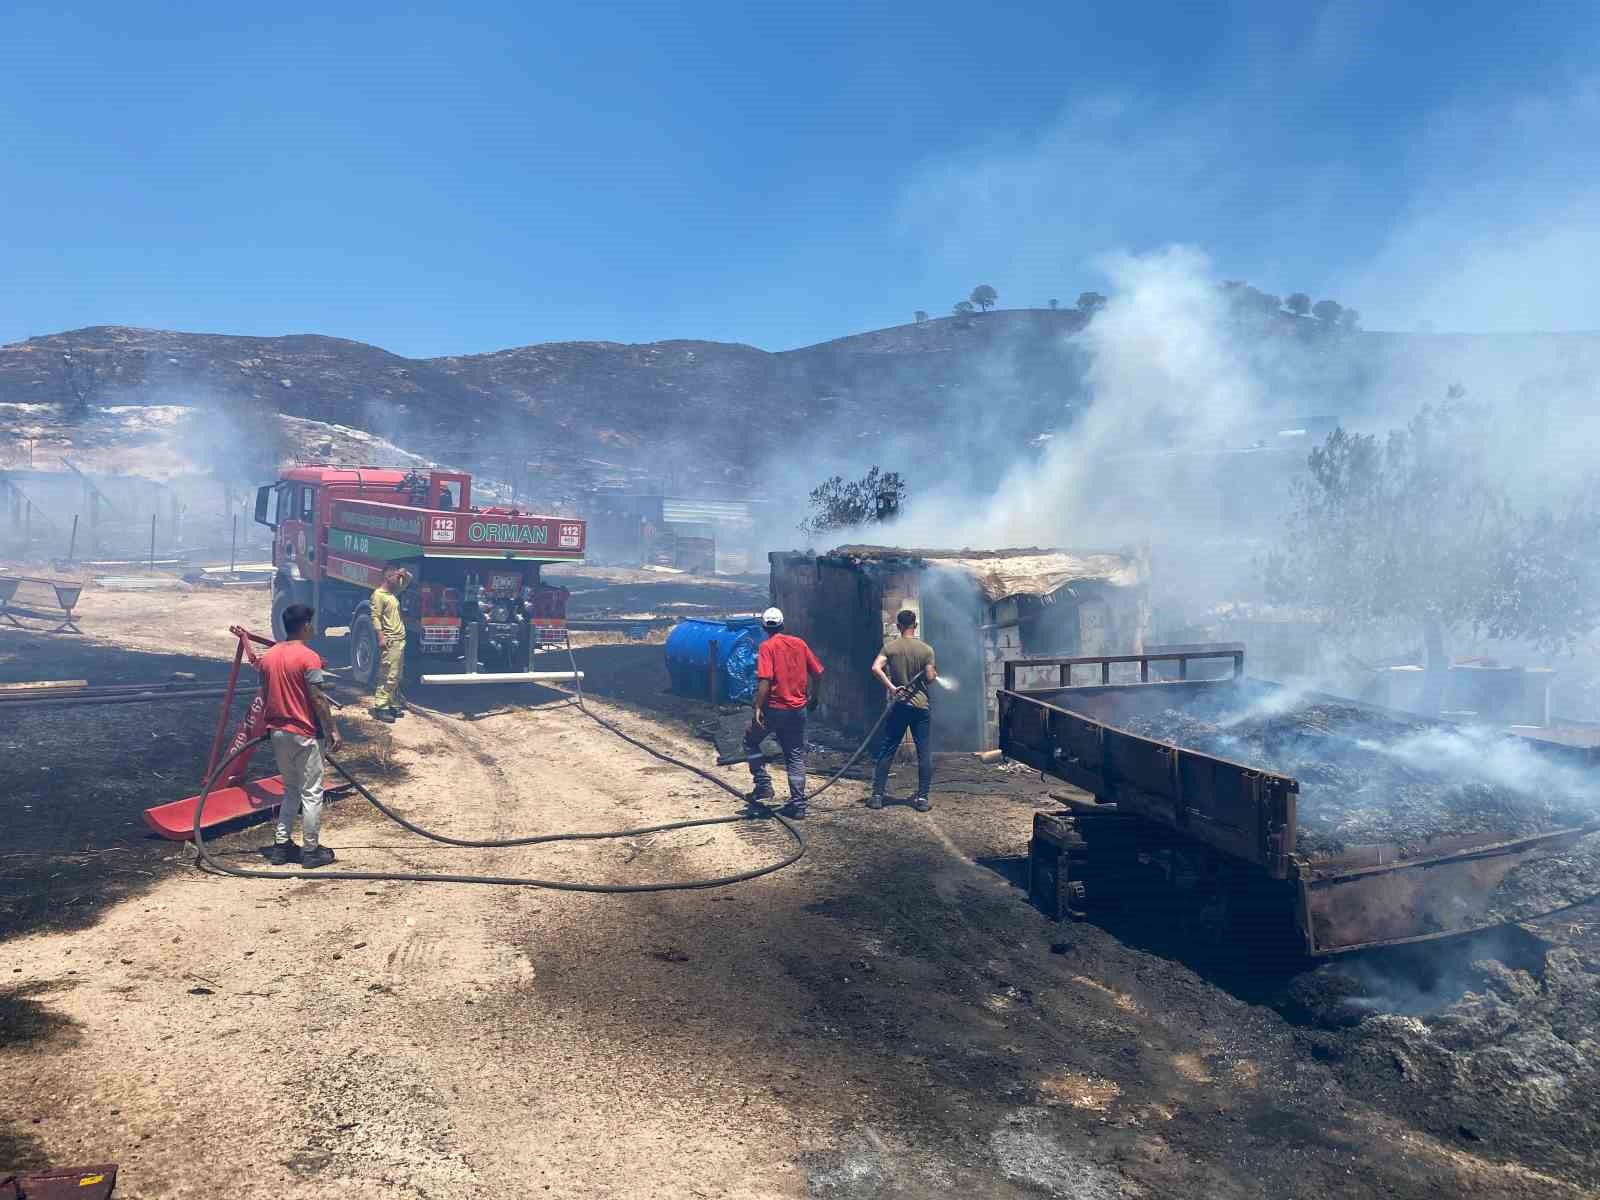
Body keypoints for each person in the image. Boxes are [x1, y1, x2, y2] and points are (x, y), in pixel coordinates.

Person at [257, 603, 342, 868]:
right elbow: (317, 697)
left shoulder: (268, 657)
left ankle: (281, 847)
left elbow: (264, 693)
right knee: (313, 792)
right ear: (305, 626)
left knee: (290, 790)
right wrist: (332, 729)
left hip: (278, 732)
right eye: (312, 623)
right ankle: (310, 850)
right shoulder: (309, 657)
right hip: (305, 732)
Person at [744, 606, 823, 818]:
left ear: (764, 627)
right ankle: (798, 805)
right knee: (794, 755)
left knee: (750, 740)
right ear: (783, 624)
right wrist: (814, 698)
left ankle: (763, 784)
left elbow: (765, 680)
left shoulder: (767, 647)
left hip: (775, 709)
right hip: (798, 710)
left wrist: (758, 708)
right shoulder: (799, 644)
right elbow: (818, 673)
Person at [869, 609, 937, 812]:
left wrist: (891, 687)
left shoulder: (890, 647)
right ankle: (923, 798)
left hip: (899, 705)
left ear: (898, 626)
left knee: (888, 749)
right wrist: (932, 673)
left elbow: (875, 668)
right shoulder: (926, 650)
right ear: (915, 626)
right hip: (920, 707)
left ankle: (877, 796)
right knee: (924, 752)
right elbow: (931, 678)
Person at [370, 565, 411, 722]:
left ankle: (392, 703)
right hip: (390, 640)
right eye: (395, 576)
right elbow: (375, 617)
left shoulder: (393, 593)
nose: (398, 579)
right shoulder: (378, 595)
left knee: (397, 675)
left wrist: (403, 572)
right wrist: (381, 637)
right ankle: (380, 706)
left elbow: (409, 579)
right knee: (387, 674)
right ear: (387, 577)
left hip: (400, 640)